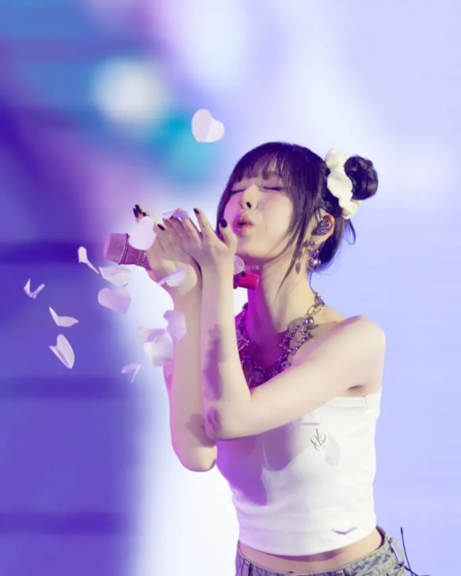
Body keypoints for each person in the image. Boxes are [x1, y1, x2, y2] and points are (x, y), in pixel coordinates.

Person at [134, 142, 412, 576]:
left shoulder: (354, 340)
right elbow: (196, 453)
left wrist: (215, 280)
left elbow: (232, 418)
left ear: (320, 225)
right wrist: (185, 295)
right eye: (236, 188)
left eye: (271, 188)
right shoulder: (218, 336)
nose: (245, 198)